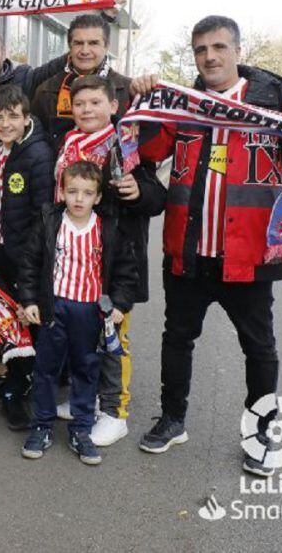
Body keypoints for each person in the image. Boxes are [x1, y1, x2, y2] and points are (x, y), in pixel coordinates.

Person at [131, 15, 282, 476]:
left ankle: (261, 432)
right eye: (200, 50)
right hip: (188, 252)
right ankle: (173, 419)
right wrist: (141, 97)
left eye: (219, 47)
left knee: (259, 349)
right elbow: (145, 152)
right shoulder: (183, 105)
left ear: (238, 51)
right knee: (177, 339)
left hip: (249, 258)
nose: (210, 57)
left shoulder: (274, 101)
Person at [52, 74, 167, 447]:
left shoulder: (126, 143)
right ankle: (86, 398)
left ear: (113, 106)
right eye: (80, 104)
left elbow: (157, 197)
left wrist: (138, 191)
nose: (87, 110)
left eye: (95, 103)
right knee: (80, 336)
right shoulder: (67, 141)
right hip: (72, 259)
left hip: (113, 260)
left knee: (112, 337)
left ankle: (115, 412)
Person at [17, 161, 138, 466]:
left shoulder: (107, 228)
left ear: (98, 197)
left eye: (87, 193)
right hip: (54, 307)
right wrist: (30, 299)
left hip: (89, 311)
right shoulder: (49, 222)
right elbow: (30, 263)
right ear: (62, 192)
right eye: (72, 191)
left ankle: (81, 429)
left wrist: (120, 305)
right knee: (46, 368)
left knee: (86, 368)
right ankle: (42, 426)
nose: (79, 199)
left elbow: (125, 271)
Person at [0, 84, 54, 427]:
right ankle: (14, 378)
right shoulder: (0, 146)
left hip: (24, 254)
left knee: (27, 320)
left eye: (12, 116)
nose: (5, 123)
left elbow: (43, 216)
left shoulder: (37, 155)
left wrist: (32, 265)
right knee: (8, 317)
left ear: (26, 118)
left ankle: (22, 393)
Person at [29, 14, 133, 153]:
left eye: (93, 43)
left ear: (106, 46)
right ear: (70, 47)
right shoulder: (46, 91)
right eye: (78, 43)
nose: (85, 51)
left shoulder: (128, 90)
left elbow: (142, 153)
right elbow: (35, 147)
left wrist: (136, 175)